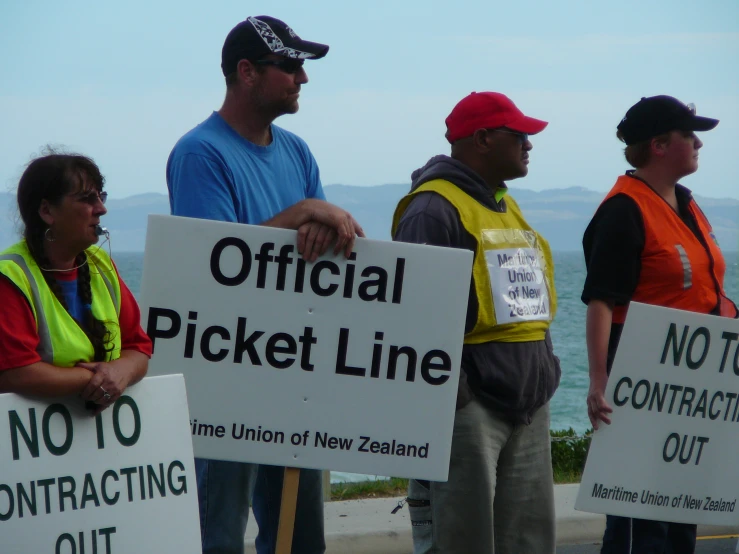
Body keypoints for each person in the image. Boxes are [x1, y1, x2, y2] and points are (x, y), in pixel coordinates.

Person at [166, 15, 364, 554]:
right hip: (226, 377)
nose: (302, 78)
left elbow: (328, 244)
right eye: (291, 65)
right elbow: (210, 261)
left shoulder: (297, 151)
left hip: (290, 375)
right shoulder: (199, 153)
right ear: (247, 72)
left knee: (301, 539)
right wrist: (302, 210)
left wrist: (320, 218)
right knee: (220, 536)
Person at [392, 91, 561, 554]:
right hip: (471, 409)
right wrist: (459, 396)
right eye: (519, 135)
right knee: (464, 540)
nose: (529, 145)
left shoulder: (507, 205)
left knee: (528, 540)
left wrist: (546, 371)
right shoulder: (432, 209)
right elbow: (414, 319)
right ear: (483, 139)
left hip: (527, 403)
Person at [582, 95, 739, 554]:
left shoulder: (687, 205)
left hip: (691, 385)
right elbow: (601, 301)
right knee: (640, 523)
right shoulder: (623, 210)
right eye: (689, 135)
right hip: (641, 380)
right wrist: (598, 382)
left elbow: (702, 292)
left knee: (680, 516)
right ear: (659, 145)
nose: (698, 144)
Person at [0, 153, 151, 411]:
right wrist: (101, 378)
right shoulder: (11, 275)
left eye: (100, 197)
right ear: (47, 211)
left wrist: (122, 371)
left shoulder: (100, 264)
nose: (102, 209)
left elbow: (138, 347)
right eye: (87, 199)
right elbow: (15, 373)